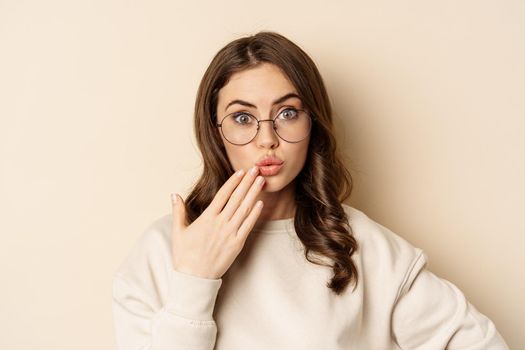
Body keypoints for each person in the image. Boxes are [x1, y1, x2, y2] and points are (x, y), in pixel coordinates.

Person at [111, 31, 508, 349]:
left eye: (288, 113)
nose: (267, 138)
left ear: (312, 121)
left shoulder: (363, 246)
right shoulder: (162, 250)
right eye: (242, 117)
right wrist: (195, 281)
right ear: (216, 132)